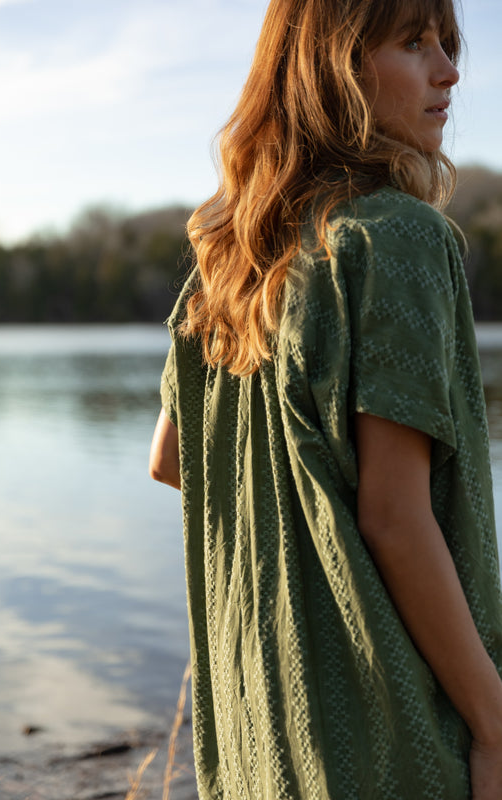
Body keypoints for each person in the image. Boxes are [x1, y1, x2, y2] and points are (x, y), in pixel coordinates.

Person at [149, 0, 502, 796]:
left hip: (259, 731)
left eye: (447, 44)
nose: (449, 71)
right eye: (414, 43)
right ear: (329, 65)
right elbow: (392, 515)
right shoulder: (400, 237)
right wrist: (492, 721)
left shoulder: (228, 257)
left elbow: (172, 461)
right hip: (389, 736)